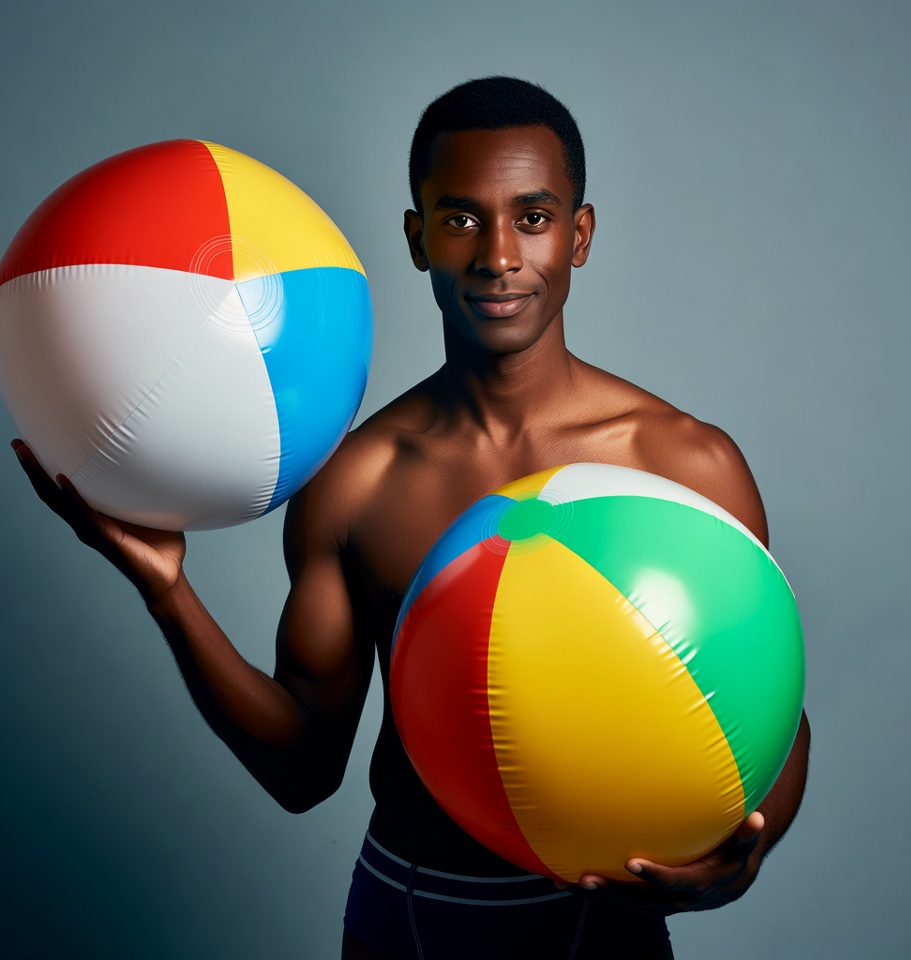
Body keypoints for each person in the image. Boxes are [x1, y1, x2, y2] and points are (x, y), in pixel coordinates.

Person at [12, 77, 810, 959]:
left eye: (533, 218)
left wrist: (747, 851)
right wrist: (168, 592)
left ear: (578, 235)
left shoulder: (683, 464)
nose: (498, 255)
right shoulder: (356, 483)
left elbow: (775, 718)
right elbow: (304, 770)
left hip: (608, 927)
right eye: (462, 219)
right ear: (417, 237)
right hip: (413, 917)